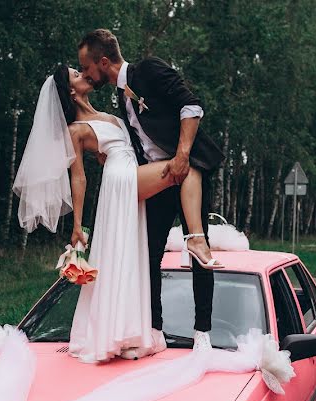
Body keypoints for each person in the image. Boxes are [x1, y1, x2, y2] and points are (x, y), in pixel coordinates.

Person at [12, 65, 220, 364]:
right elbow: (79, 178)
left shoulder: (111, 111)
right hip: (121, 182)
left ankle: (142, 328)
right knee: (185, 167)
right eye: (75, 74)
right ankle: (196, 238)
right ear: (70, 91)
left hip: (133, 172)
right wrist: (78, 226)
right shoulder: (75, 130)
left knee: (137, 256)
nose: (83, 74)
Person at [77, 29, 225, 358]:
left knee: (199, 252)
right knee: (149, 254)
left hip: (186, 173)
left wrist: (183, 155)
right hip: (156, 180)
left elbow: (191, 106)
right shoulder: (119, 95)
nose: (87, 74)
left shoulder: (149, 69)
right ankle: (155, 328)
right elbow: (139, 138)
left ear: (103, 61)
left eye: (87, 67)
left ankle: (202, 333)